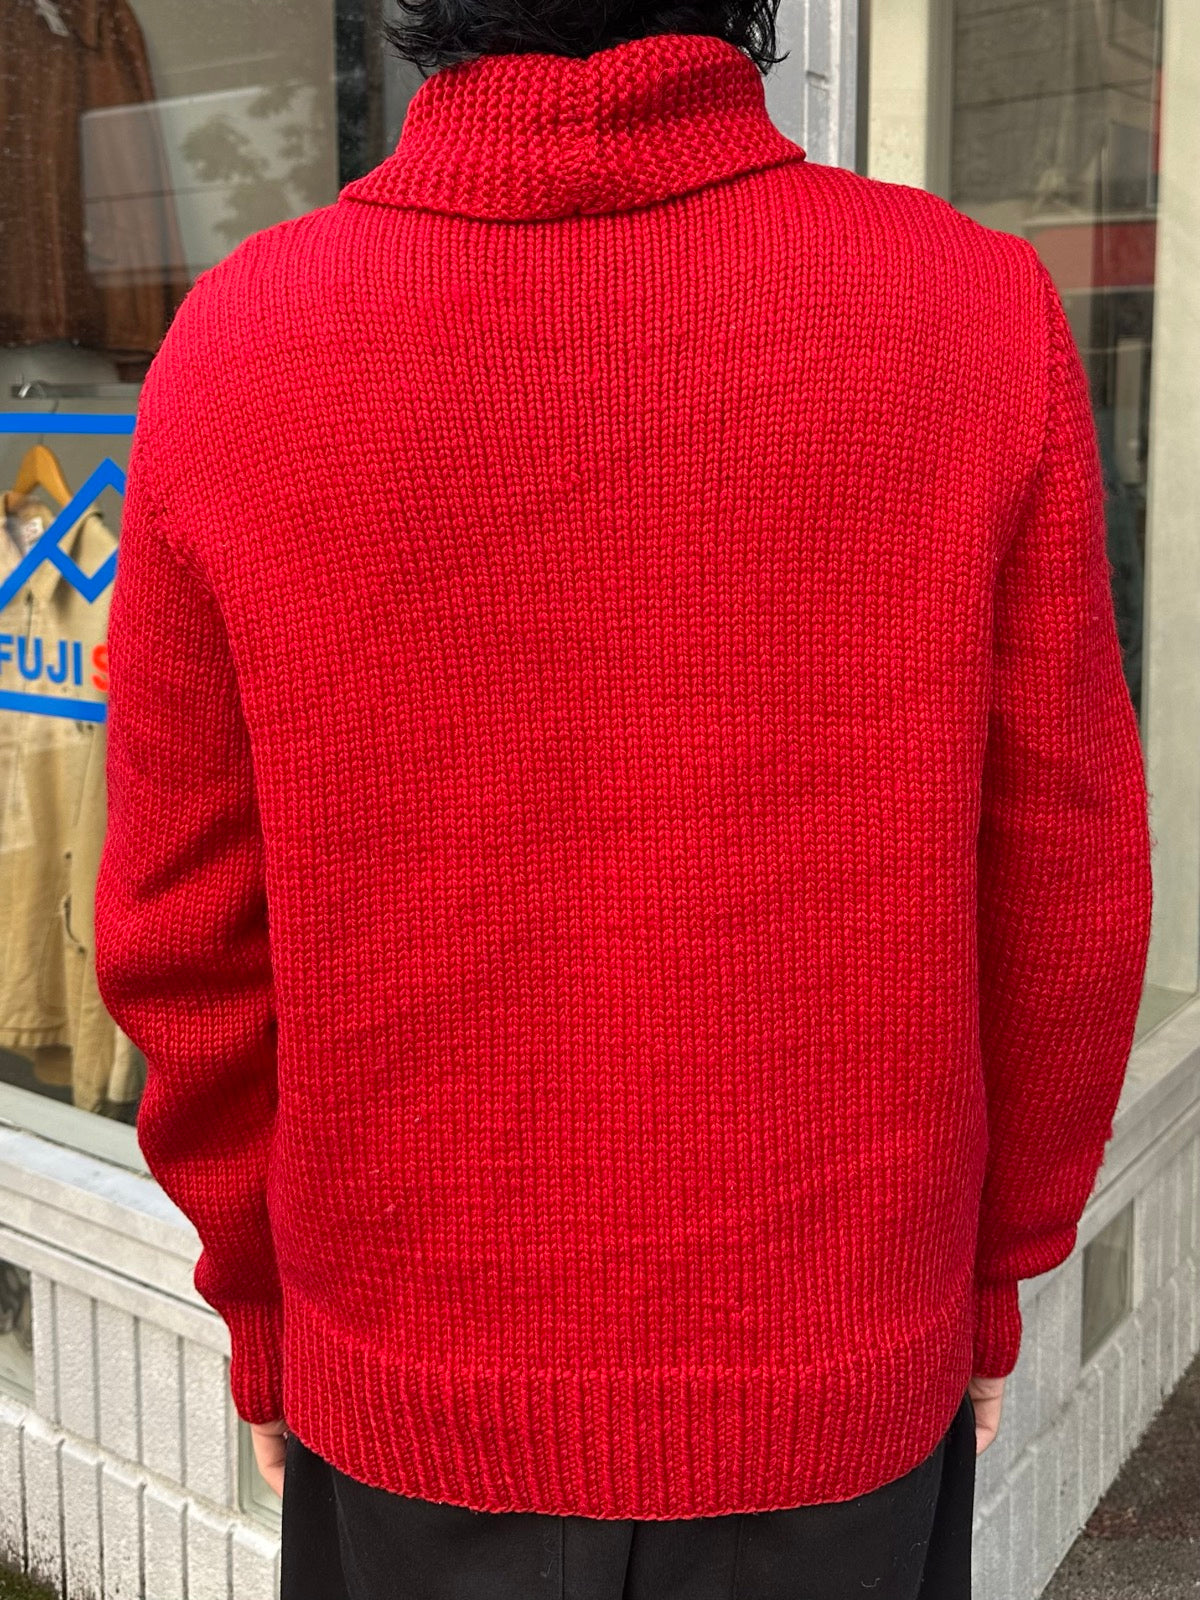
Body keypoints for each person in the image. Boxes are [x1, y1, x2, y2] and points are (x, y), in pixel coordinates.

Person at [91, 0, 1154, 1594]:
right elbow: (1065, 877)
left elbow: (181, 926)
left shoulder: (245, 340)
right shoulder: (970, 310)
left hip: (408, 1371)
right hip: (837, 1370)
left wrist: (260, 1304)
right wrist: (994, 1272)